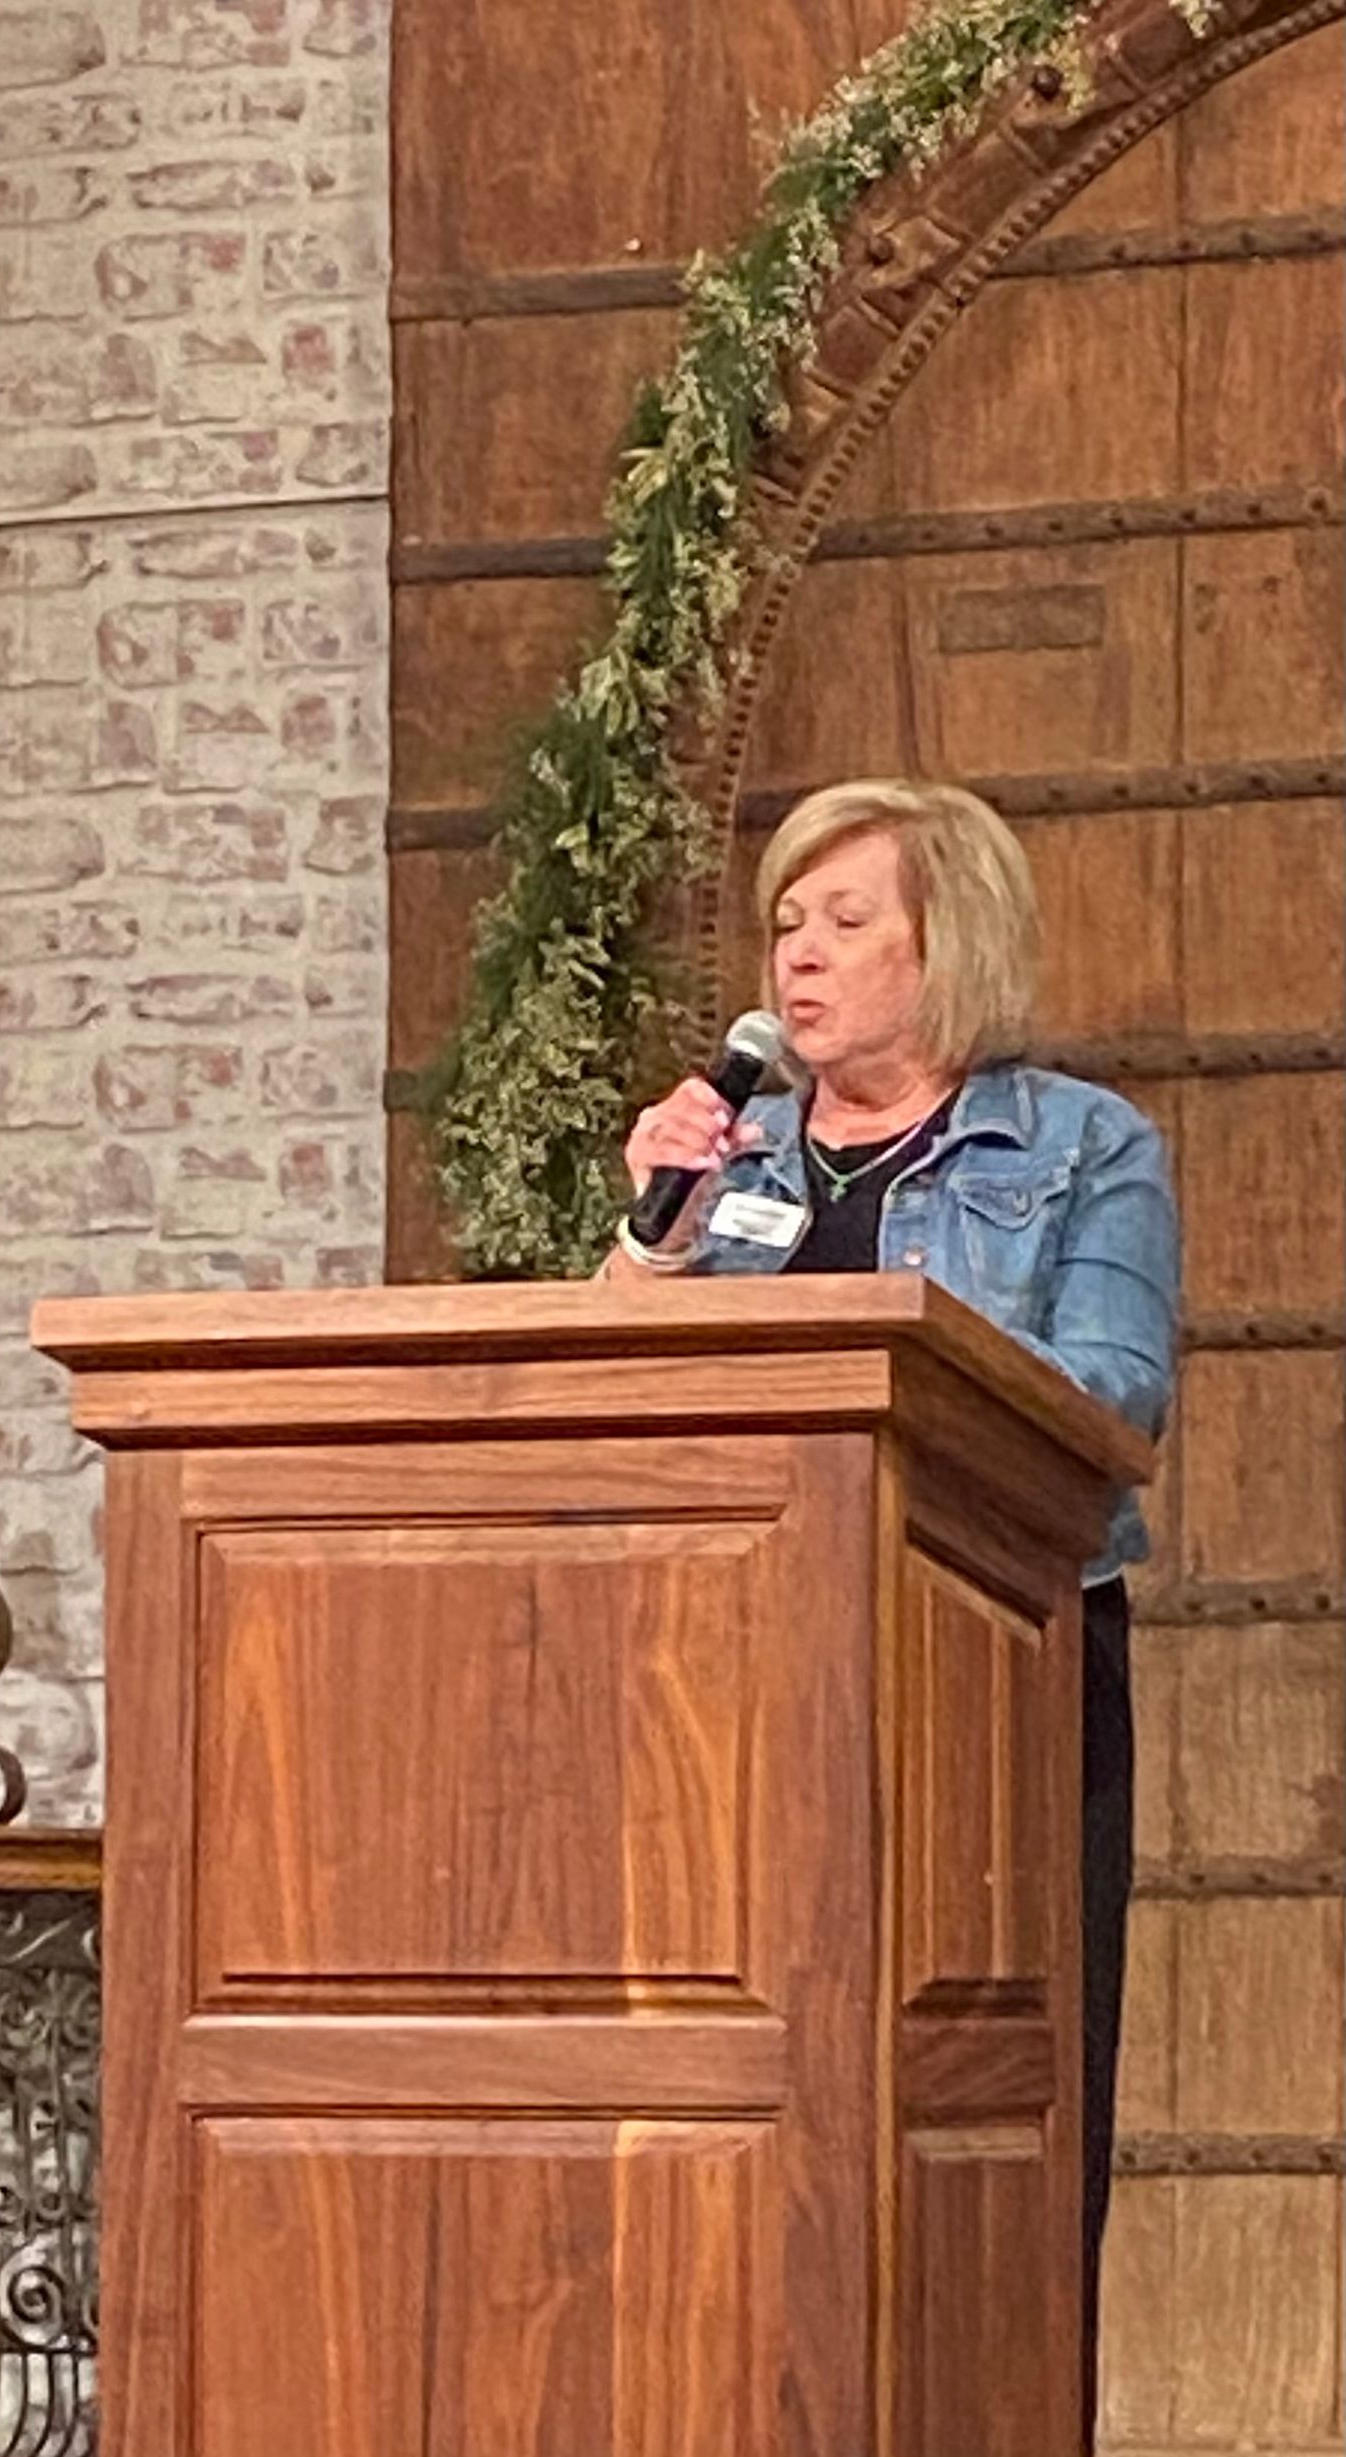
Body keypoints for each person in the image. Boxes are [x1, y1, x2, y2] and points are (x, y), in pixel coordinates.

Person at [602, 776, 1178, 2447]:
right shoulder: (738, 1150)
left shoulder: (1080, 1146)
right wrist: (651, 1246)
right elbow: (621, 1397)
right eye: (787, 920)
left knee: (991, 2101)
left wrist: (896, 1371)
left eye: (847, 920)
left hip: (991, 1659)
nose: (801, 954)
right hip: (735, 1686)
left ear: (954, 944)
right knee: (746, 2090)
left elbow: (1112, 1395)